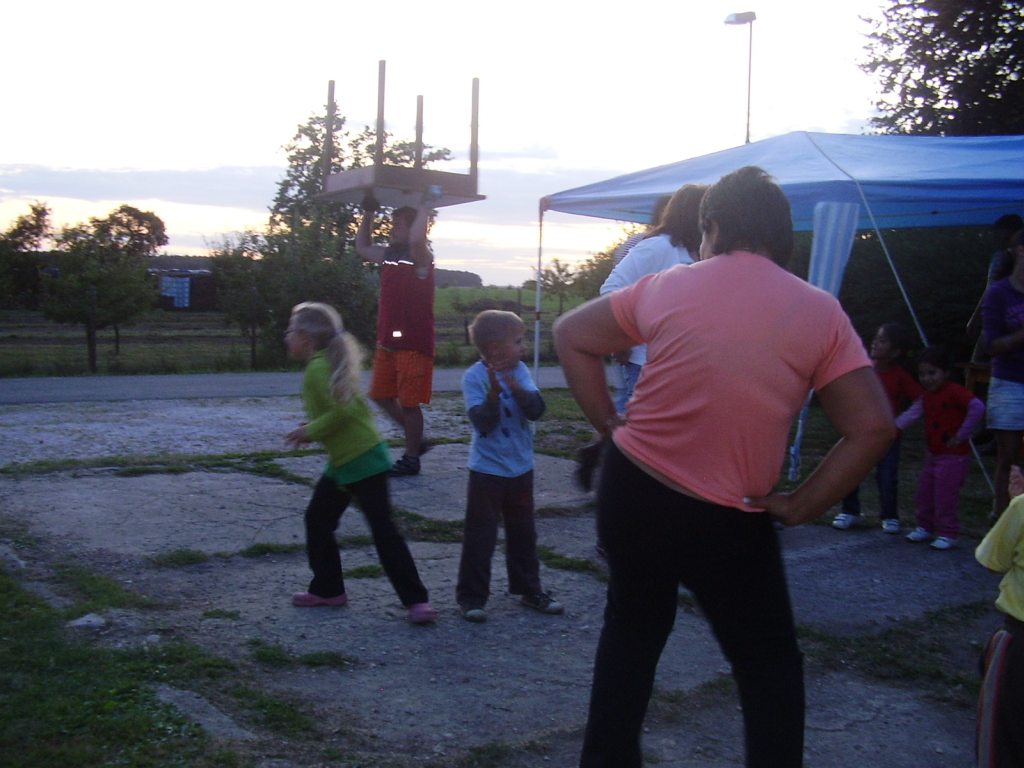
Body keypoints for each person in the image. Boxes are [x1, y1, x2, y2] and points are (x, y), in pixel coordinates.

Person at [553, 165, 894, 768]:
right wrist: (802, 505)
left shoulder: (667, 285)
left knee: (631, 637)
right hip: (730, 516)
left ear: (711, 225)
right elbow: (872, 427)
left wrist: (610, 426)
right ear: (783, 235)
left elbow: (570, 334)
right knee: (767, 663)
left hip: (633, 492)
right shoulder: (819, 311)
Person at [284, 302, 437, 625]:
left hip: (362, 460)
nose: (286, 337)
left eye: (290, 331)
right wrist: (314, 426)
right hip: (349, 460)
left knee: (383, 531)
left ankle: (417, 601)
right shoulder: (324, 363)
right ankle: (328, 589)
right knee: (318, 520)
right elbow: (340, 411)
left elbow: (344, 412)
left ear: (306, 339)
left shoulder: (317, 370)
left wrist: (310, 430)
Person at [456, 310, 564, 622]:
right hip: (487, 471)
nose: (523, 346)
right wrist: (493, 395)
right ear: (494, 348)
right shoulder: (473, 377)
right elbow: (483, 424)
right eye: (517, 341)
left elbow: (536, 411)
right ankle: (472, 598)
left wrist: (516, 388)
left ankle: (530, 590)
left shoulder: (520, 372)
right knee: (480, 535)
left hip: (520, 468)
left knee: (523, 532)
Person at [599, 184, 707, 413]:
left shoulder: (703, 251)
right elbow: (611, 290)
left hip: (690, 364)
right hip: (649, 364)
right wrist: (626, 338)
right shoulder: (657, 247)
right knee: (647, 424)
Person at [356, 193, 437, 477]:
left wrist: (424, 206)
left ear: (415, 227)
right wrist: (368, 213)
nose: (392, 230)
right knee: (380, 395)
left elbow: (416, 241)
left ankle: (412, 458)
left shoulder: (421, 257)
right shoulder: (389, 256)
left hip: (413, 344)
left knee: (409, 403)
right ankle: (418, 440)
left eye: (398, 225)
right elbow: (363, 247)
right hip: (387, 342)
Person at [832, 322, 922, 534]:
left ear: (895, 352)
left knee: (887, 476)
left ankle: (890, 515)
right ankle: (849, 510)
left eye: (882, 340)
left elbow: (921, 400)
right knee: (852, 471)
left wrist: (899, 423)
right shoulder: (864, 369)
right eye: (876, 338)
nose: (874, 343)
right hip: (859, 434)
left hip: (887, 438)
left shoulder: (900, 376)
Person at [897, 345, 985, 551]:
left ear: (946, 372)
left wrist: (961, 434)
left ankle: (947, 532)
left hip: (954, 456)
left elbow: (977, 407)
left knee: (945, 495)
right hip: (934, 455)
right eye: (922, 374)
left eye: (932, 373)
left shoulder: (955, 392)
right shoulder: (926, 396)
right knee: (924, 492)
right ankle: (925, 526)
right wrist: (892, 427)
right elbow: (912, 414)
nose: (927, 379)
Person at [975, 464, 1024, 768]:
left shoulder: (1021, 508)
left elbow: (993, 562)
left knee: (1001, 742)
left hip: (1019, 643)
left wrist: (1015, 502)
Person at [982, 227, 1024, 519]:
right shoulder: (998, 293)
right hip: (1009, 382)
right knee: (1009, 458)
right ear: (1020, 250)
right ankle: (1000, 518)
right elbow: (991, 346)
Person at [967, 213, 1024, 365]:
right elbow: (990, 288)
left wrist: (976, 318)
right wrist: (976, 317)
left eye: (1004, 236)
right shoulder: (1000, 257)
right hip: (1000, 316)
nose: (1000, 240)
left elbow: (992, 289)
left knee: (982, 360)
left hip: (1008, 317)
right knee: (980, 361)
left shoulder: (1007, 258)